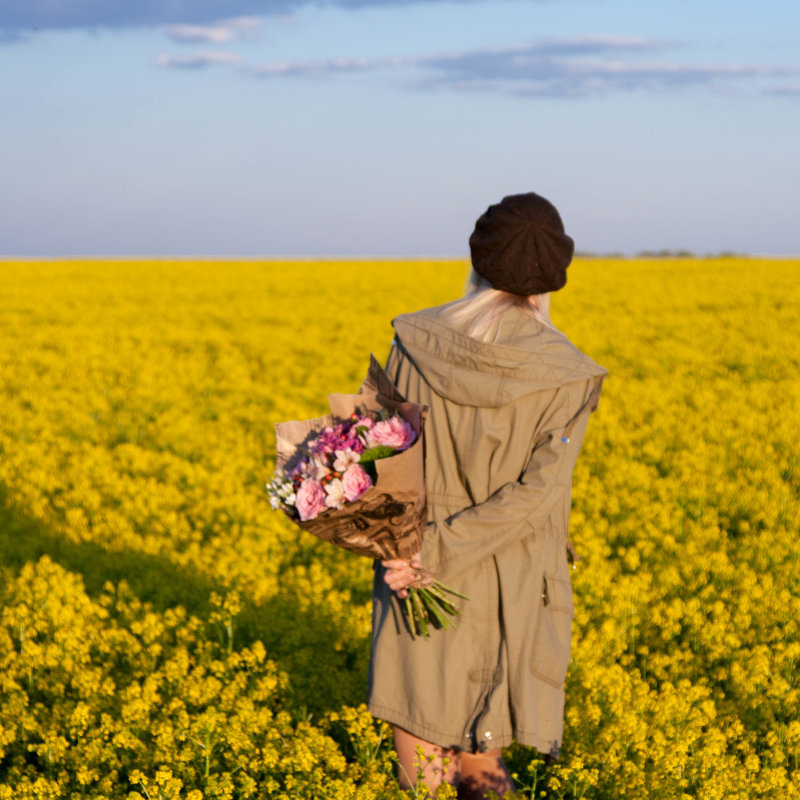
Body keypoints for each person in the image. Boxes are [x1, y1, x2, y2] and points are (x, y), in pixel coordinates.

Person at [367, 192, 608, 799]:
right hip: (508, 579)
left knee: (418, 765)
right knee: (483, 766)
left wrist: (406, 551)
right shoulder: (567, 372)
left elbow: (375, 457)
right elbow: (536, 496)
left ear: (476, 258)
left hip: (411, 569)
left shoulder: (412, 342)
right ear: (554, 275)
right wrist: (435, 553)